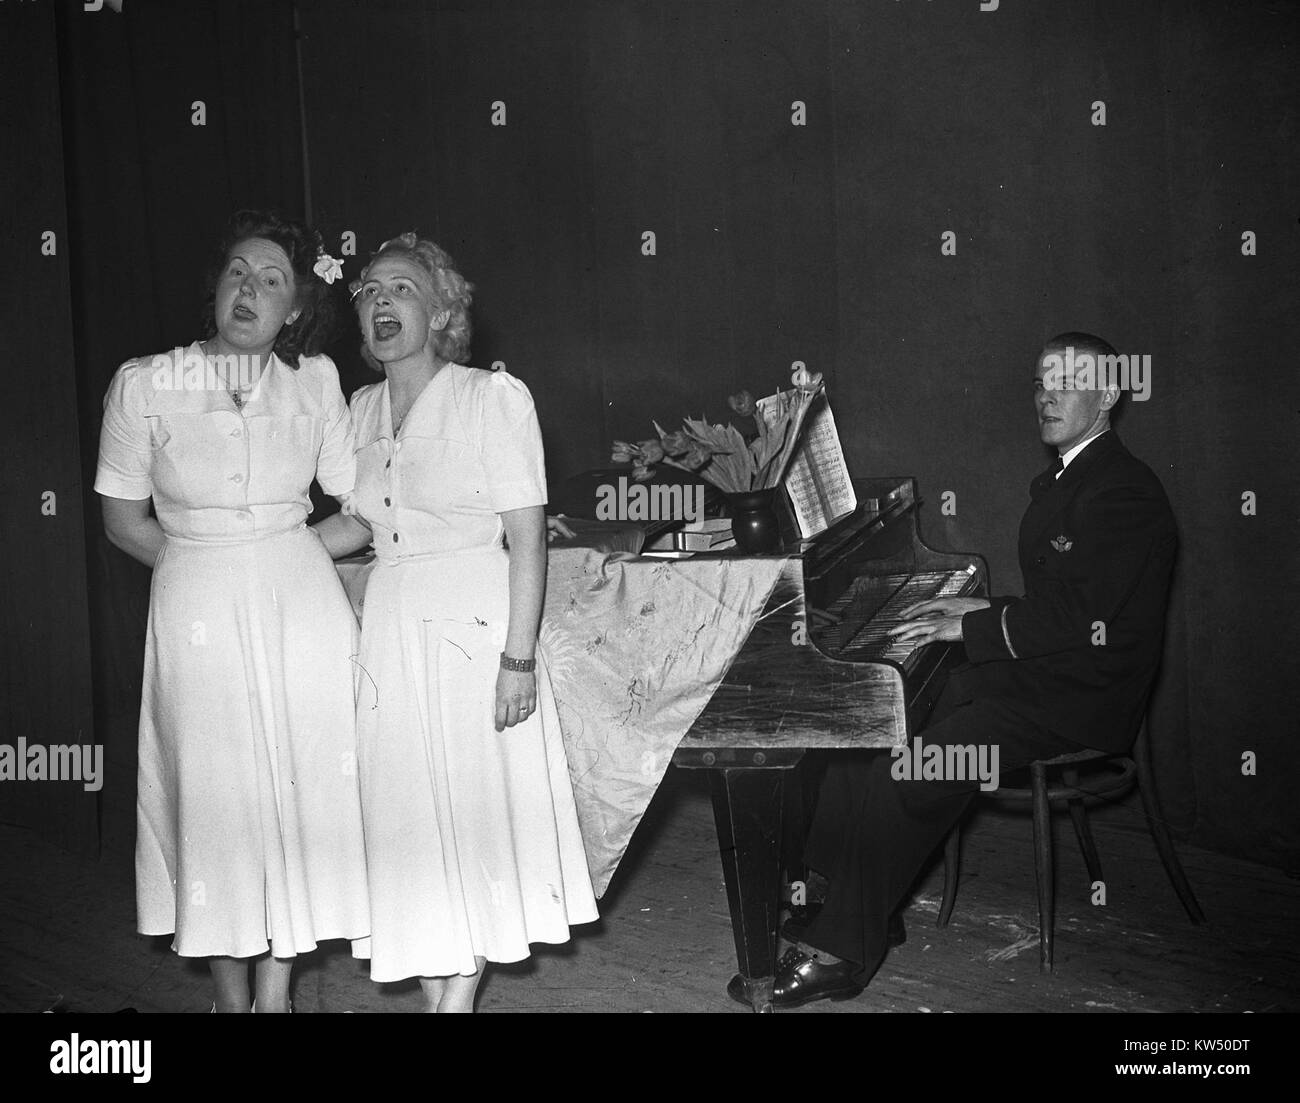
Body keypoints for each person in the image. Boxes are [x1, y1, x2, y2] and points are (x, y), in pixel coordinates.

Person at [747, 331, 1178, 1009]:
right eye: (1041, 381)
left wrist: (972, 623)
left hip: (1081, 697)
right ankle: (854, 900)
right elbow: (1067, 602)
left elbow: (1080, 620)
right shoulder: (1081, 475)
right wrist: (979, 608)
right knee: (882, 716)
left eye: (1068, 380)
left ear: (1111, 394)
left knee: (919, 766)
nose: (1049, 394)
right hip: (1049, 673)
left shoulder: (1125, 492)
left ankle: (843, 952)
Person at [313, 233, 598, 1012]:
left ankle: (455, 1000)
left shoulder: (491, 398)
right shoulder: (359, 409)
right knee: (413, 816)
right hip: (393, 630)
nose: (379, 303)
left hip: (475, 626)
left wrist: (518, 657)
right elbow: (359, 522)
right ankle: (446, 989)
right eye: (368, 290)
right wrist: (271, 549)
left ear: (440, 311)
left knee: (472, 815)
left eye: (400, 289)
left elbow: (528, 535)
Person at [95, 210, 369, 1012]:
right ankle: (227, 994)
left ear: (295, 311)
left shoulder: (315, 382)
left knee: (293, 785)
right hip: (194, 609)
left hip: (301, 609)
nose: (249, 289)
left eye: (272, 279)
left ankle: (275, 996)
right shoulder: (144, 382)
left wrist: (283, 561)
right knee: (211, 796)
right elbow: (122, 518)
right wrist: (205, 563)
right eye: (237, 273)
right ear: (214, 288)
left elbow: (360, 504)